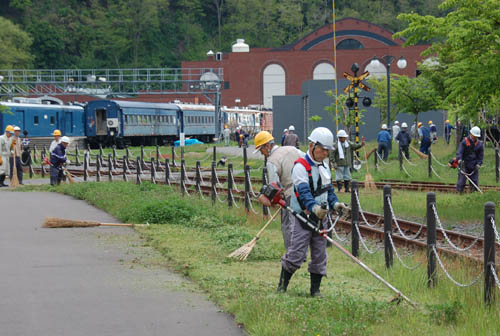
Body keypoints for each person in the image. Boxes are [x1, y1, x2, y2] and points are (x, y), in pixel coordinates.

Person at [279, 127, 348, 297]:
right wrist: (314, 208)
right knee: (296, 254)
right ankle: (282, 287)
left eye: (327, 150)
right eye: (322, 149)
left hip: (321, 218)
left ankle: (315, 290)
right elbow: (304, 193)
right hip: (302, 217)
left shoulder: (324, 165)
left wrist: (335, 203)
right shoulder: (300, 167)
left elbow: (328, 190)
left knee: (319, 255)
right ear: (312, 145)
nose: (325, 153)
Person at [254, 131, 302, 250]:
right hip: (305, 191)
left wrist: (266, 197)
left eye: (261, 150)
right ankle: (302, 251)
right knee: (303, 223)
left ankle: (292, 253)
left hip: (290, 194)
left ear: (267, 146)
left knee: (288, 224)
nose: (262, 153)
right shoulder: (292, 149)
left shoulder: (272, 161)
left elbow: (274, 186)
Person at [456, 126, 483, 193]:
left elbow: (480, 156)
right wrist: (459, 160)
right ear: (471, 134)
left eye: (476, 136)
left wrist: (479, 164)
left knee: (474, 181)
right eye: (474, 135)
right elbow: (460, 152)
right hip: (464, 164)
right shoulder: (464, 142)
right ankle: (460, 193)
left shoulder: (479, 144)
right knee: (461, 181)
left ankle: (474, 194)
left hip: (474, 165)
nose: (475, 137)